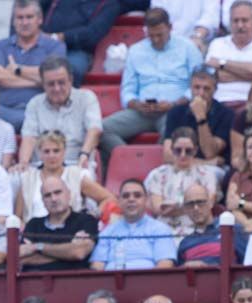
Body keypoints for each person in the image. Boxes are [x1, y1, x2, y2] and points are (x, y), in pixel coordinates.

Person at [98, 7, 203, 164]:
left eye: (160, 35)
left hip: (174, 109)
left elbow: (199, 83)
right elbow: (127, 88)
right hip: (143, 110)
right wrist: (136, 104)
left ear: (170, 28)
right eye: (151, 35)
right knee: (101, 129)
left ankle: (153, 167)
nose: (155, 40)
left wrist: (175, 104)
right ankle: (132, 162)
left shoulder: (188, 47)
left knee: (174, 134)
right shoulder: (136, 50)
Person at [0, 0, 66, 130]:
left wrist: (17, 70)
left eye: (29, 17)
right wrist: (39, 81)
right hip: (3, 110)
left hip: (41, 110)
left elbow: (54, 76)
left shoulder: (55, 46)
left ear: (40, 19)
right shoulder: (1, 46)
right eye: (20, 18)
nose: (24, 22)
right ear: (13, 21)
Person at [16, 56, 101, 172]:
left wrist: (84, 155)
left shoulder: (86, 98)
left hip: (76, 164)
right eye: (51, 84)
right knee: (17, 177)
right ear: (43, 84)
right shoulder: (34, 103)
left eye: (61, 82)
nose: (57, 88)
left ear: (70, 80)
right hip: (42, 166)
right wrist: (24, 162)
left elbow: (94, 130)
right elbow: (29, 137)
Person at [12, 131, 113, 221]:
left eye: (56, 151)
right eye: (46, 151)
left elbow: (109, 198)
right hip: (35, 231)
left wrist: (92, 217)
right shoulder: (28, 179)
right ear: (40, 154)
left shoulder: (77, 176)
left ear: (64, 152)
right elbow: (18, 218)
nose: (51, 155)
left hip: (70, 231)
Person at [145, 126, 221, 236]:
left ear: (195, 150)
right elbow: (158, 208)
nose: (183, 155)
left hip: (197, 231)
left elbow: (208, 205)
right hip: (164, 231)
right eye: (178, 150)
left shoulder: (207, 174)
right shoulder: (158, 174)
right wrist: (190, 206)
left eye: (188, 151)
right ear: (171, 149)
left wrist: (177, 208)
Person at [89, 178, 178, 269]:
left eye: (137, 195)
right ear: (119, 202)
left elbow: (165, 265)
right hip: (111, 277)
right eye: (126, 196)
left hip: (147, 277)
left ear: (146, 200)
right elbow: (97, 266)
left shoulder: (160, 229)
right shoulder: (107, 232)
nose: (131, 199)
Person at [207, 0, 252, 105]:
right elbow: (213, 76)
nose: (240, 25)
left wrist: (222, 63)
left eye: (245, 20)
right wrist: (251, 75)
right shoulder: (217, 44)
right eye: (235, 21)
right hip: (221, 103)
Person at [19, 175, 99, 271]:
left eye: (58, 192)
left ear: (69, 194)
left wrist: (37, 247)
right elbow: (22, 259)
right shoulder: (33, 224)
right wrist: (68, 253)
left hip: (72, 279)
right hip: (35, 279)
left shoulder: (86, 220)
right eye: (47, 195)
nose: (53, 199)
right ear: (43, 201)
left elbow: (79, 252)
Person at [161, 67, 233, 173]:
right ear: (190, 88)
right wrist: (206, 162)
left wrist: (201, 117)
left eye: (206, 89)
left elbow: (209, 153)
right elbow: (168, 155)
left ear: (215, 90)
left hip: (212, 170)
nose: (201, 93)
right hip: (191, 165)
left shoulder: (226, 114)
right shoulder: (176, 112)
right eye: (197, 87)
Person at [38, 0, 121, 82]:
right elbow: (35, 9)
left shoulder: (109, 4)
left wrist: (57, 37)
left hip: (77, 50)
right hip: (45, 44)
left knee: (68, 72)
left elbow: (92, 34)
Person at [177, 183, 249, 265]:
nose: (195, 208)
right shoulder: (185, 243)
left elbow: (247, 266)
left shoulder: (232, 230)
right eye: (190, 204)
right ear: (185, 209)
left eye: (200, 202)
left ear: (211, 203)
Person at [153, 0, 220, 54]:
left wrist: (197, 36)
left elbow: (210, 16)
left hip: (197, 41)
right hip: (166, 41)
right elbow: (157, 16)